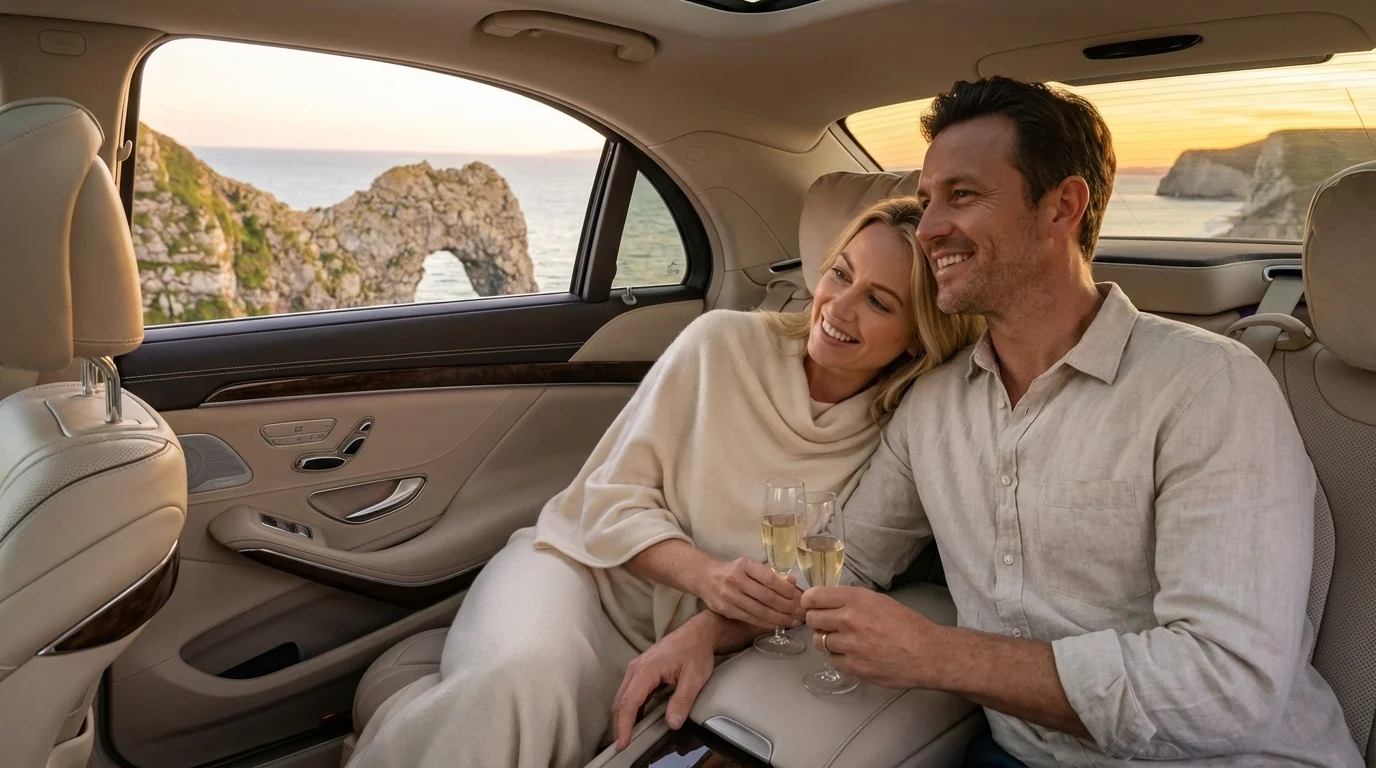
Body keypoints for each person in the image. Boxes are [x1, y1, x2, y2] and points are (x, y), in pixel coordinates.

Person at [614, 77, 1361, 767]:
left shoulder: (1208, 386)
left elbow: (1228, 687)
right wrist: (703, 632)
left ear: (1062, 208)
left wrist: (939, 656)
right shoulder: (933, 408)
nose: (929, 227)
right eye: (928, 197)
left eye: (961, 196)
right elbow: (849, 557)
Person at [346, 197, 983, 768]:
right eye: (840, 273)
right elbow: (607, 496)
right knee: (521, 677)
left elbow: (836, 574)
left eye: (879, 300)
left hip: (716, 635)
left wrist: (709, 627)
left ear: (919, 334)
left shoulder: (902, 434)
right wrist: (705, 575)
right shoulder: (722, 343)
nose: (838, 307)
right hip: (583, 571)